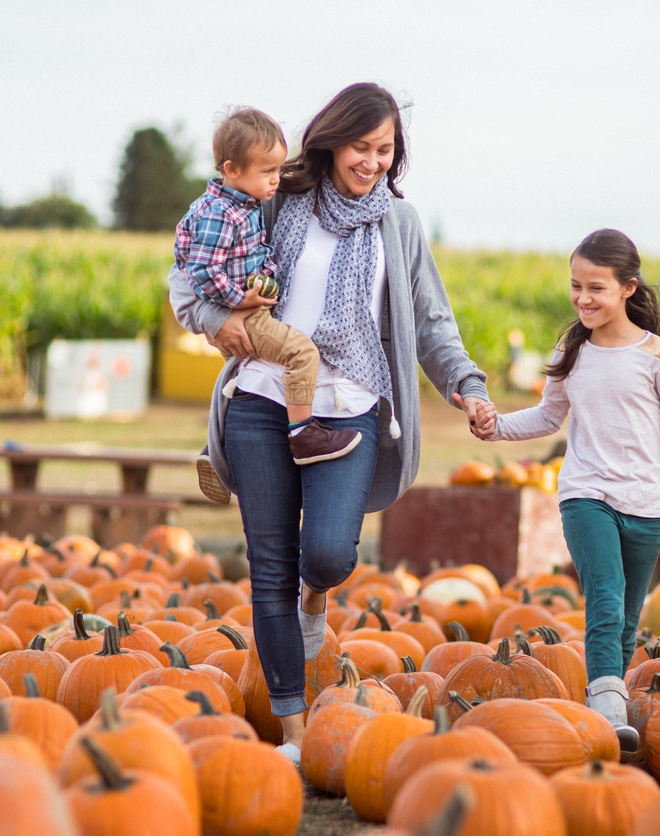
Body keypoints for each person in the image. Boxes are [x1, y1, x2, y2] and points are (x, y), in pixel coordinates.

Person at [168, 83, 494, 766]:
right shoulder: (277, 196)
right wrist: (217, 321)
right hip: (261, 397)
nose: (372, 161)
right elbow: (188, 273)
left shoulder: (397, 226)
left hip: (351, 406)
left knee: (327, 556)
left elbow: (431, 321)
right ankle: (292, 730)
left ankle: (318, 598)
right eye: (361, 147)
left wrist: (465, 385)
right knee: (269, 569)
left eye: (385, 151)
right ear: (331, 140)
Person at [470, 228, 660, 757]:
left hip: (646, 507)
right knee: (605, 601)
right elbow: (549, 416)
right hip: (585, 494)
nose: (583, 299)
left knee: (629, 618)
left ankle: (604, 704)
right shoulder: (574, 349)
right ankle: (609, 712)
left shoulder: (658, 358)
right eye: (575, 286)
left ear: (628, 288)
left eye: (596, 288)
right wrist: (494, 427)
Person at [175, 107, 361, 505]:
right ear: (232, 169)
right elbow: (201, 270)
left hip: (252, 306)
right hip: (245, 312)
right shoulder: (220, 214)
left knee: (242, 372)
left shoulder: (243, 204)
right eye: (267, 171)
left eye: (278, 168)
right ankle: (302, 433)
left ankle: (217, 451)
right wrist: (238, 301)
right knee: (300, 353)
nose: (276, 179)